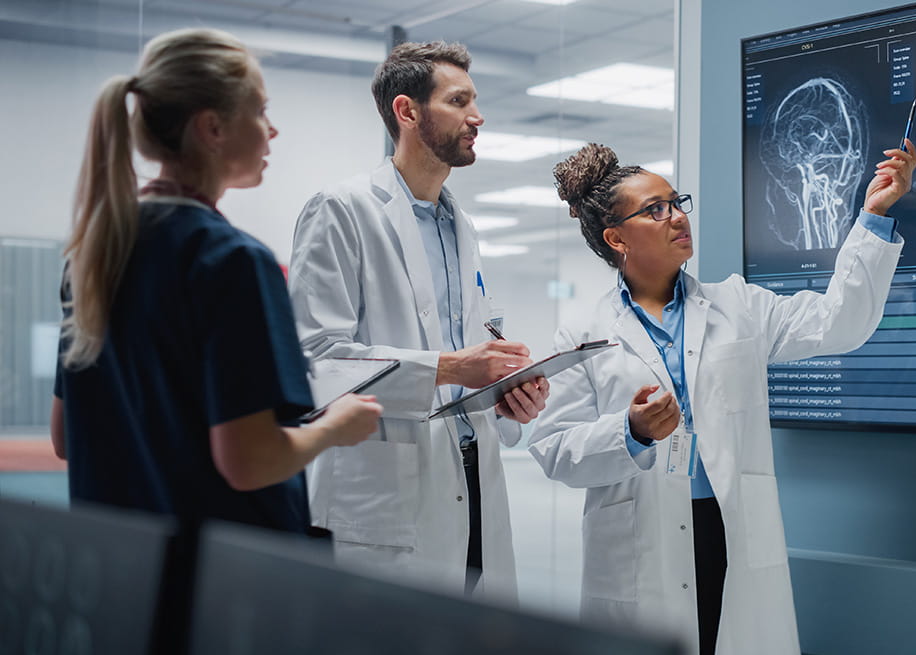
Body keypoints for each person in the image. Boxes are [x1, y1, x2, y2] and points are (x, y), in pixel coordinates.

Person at [528, 141, 916, 655]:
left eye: (677, 202)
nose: (677, 217)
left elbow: (839, 322)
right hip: (643, 535)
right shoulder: (583, 332)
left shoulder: (739, 306)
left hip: (728, 525)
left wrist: (873, 214)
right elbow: (554, 448)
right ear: (616, 238)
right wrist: (631, 431)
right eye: (655, 209)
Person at [50, 28, 382, 535]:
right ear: (212, 128)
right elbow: (249, 461)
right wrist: (336, 427)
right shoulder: (232, 262)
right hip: (216, 577)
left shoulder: (95, 255)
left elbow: (67, 439)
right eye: (259, 111)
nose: (272, 131)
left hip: (123, 566)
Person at [288, 41, 549, 597]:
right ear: (407, 112)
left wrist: (507, 390)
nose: (477, 117)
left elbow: (471, 349)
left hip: (472, 479)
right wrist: (452, 367)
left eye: (475, 102)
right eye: (459, 102)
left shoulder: (463, 227)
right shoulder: (341, 209)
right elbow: (315, 360)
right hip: (387, 496)